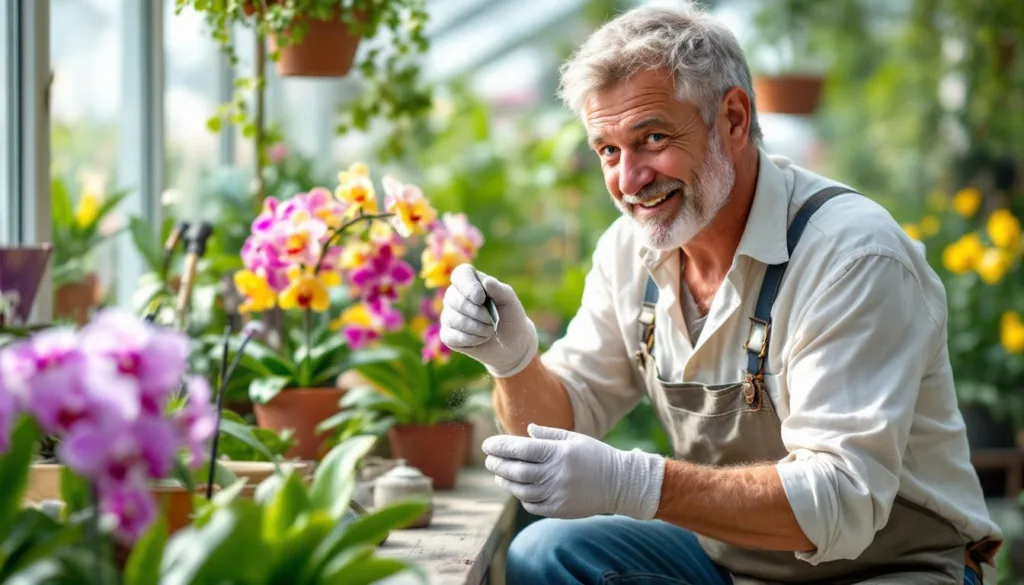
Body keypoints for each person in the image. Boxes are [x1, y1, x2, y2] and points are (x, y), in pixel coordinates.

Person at [438, 4, 1002, 585]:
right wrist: (512, 359)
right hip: (734, 562)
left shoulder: (851, 256)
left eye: (652, 137)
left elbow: (841, 500)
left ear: (733, 119)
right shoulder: (628, 251)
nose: (629, 181)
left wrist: (635, 483)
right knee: (547, 553)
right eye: (608, 150)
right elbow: (562, 420)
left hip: (889, 568)